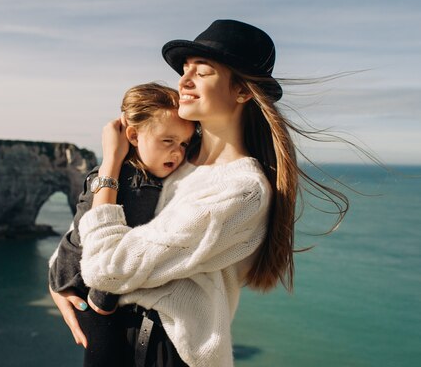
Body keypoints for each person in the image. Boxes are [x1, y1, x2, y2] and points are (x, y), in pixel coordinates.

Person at [50, 19, 349, 367]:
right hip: (119, 343)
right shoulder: (174, 164)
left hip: (166, 354)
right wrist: (59, 284)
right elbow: (82, 236)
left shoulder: (241, 191)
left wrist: (110, 166)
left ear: (243, 91)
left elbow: (105, 268)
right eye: (185, 70)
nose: (184, 80)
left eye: (202, 72)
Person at [49, 83, 196, 367]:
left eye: (184, 144)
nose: (177, 153)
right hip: (98, 304)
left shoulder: (113, 174)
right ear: (133, 135)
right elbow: (106, 253)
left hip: (81, 286)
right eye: (168, 141)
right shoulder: (137, 186)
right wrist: (102, 303)